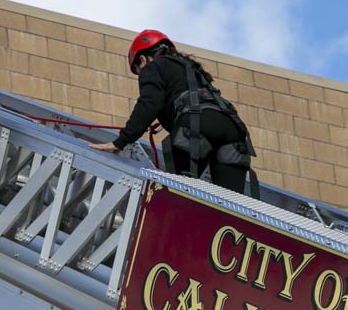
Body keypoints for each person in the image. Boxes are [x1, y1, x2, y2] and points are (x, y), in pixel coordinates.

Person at [90, 29, 257, 196]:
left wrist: (121, 141)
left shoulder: (153, 67)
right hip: (233, 130)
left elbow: (149, 104)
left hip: (196, 128)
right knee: (229, 205)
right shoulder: (193, 70)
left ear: (142, 59)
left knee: (179, 194)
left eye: (138, 69)